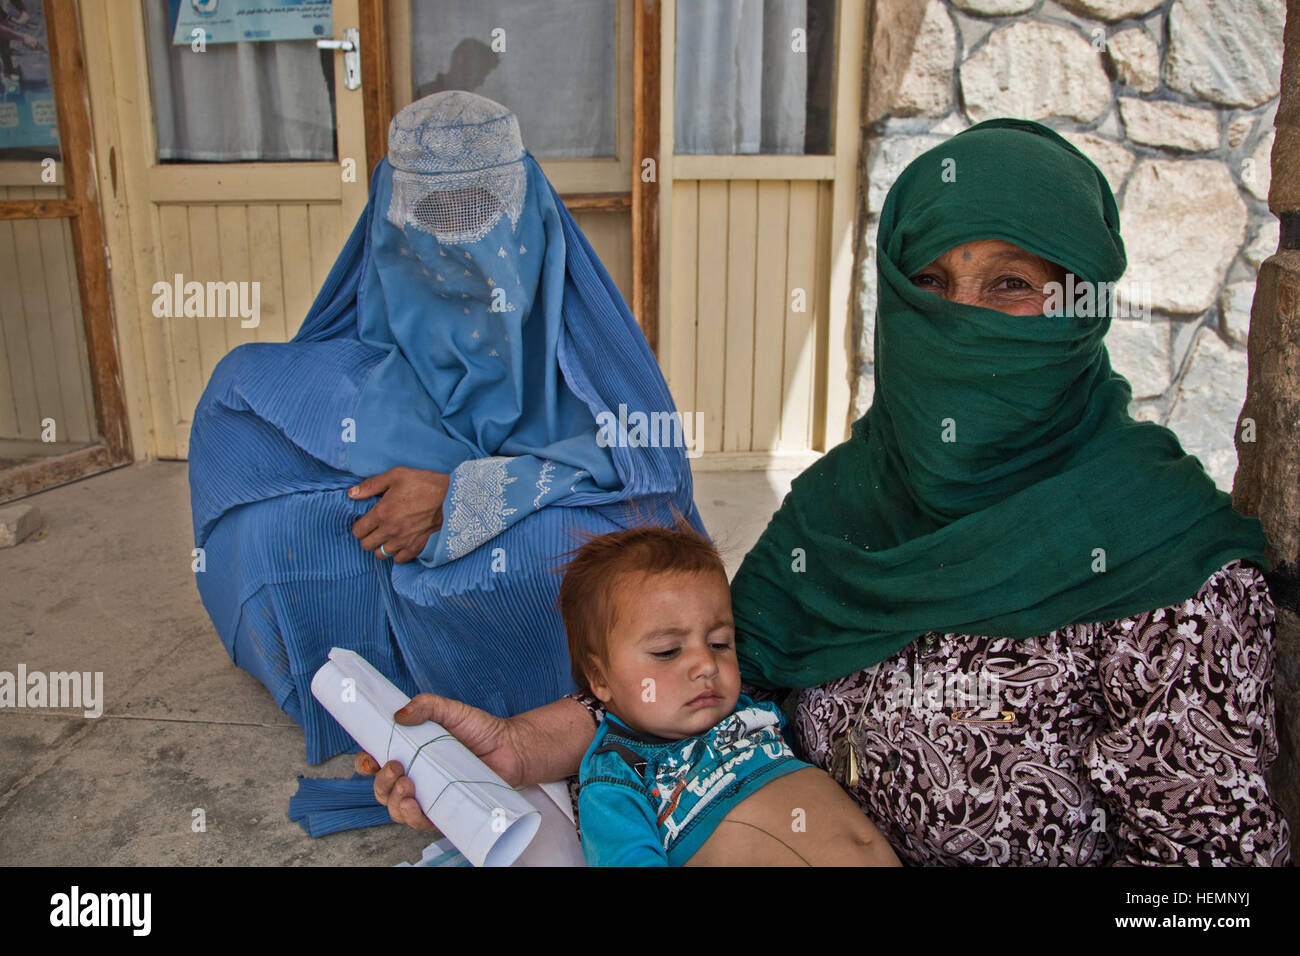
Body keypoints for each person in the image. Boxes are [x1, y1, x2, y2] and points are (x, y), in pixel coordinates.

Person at [360, 118, 1290, 866]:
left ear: (1079, 307)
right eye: (930, 283)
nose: (958, 321)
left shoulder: (1164, 565)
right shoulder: (844, 507)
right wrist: (520, 749)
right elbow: (706, 685)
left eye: (1009, 284)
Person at [188, 91, 702, 770]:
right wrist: (394, 496)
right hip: (391, 443)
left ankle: (517, 713)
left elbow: (649, 474)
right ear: (388, 216)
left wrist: (463, 498)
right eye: (431, 212)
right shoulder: (364, 357)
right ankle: (369, 682)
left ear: (529, 208)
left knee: (591, 555)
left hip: (525, 517)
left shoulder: (580, 339)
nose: (457, 245)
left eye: (478, 209)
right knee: (271, 503)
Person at [563, 523, 900, 866]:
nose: (707, 664)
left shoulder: (751, 714)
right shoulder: (618, 776)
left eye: (719, 643)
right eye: (668, 651)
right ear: (599, 677)